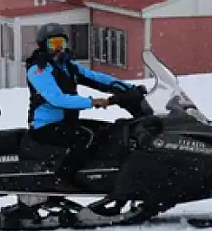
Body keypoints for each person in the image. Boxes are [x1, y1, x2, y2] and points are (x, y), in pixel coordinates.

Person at [25, 22, 135, 191]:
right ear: (43, 45)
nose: (58, 49)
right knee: (86, 136)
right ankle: (62, 178)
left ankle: (100, 175)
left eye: (61, 43)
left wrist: (126, 87)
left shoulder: (67, 66)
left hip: (66, 122)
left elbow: (96, 78)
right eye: (53, 44)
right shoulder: (38, 69)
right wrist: (92, 101)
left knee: (108, 130)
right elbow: (57, 99)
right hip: (45, 127)